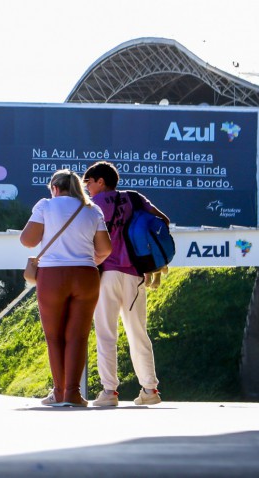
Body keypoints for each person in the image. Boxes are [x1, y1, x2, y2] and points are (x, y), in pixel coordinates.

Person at [20, 169, 111, 407]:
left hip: (52, 277)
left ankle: (59, 392)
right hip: (86, 275)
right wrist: (88, 259)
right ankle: (73, 393)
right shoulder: (92, 209)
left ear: (54, 188)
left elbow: (27, 240)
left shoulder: (45, 206)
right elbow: (105, 248)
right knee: (78, 337)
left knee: (54, 337)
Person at [83, 160, 170, 407]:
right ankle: (150, 390)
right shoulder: (133, 198)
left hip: (106, 274)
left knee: (106, 334)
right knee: (138, 332)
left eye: (88, 182)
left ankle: (109, 392)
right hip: (134, 275)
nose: (87, 187)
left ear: (100, 181)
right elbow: (163, 219)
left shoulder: (93, 205)